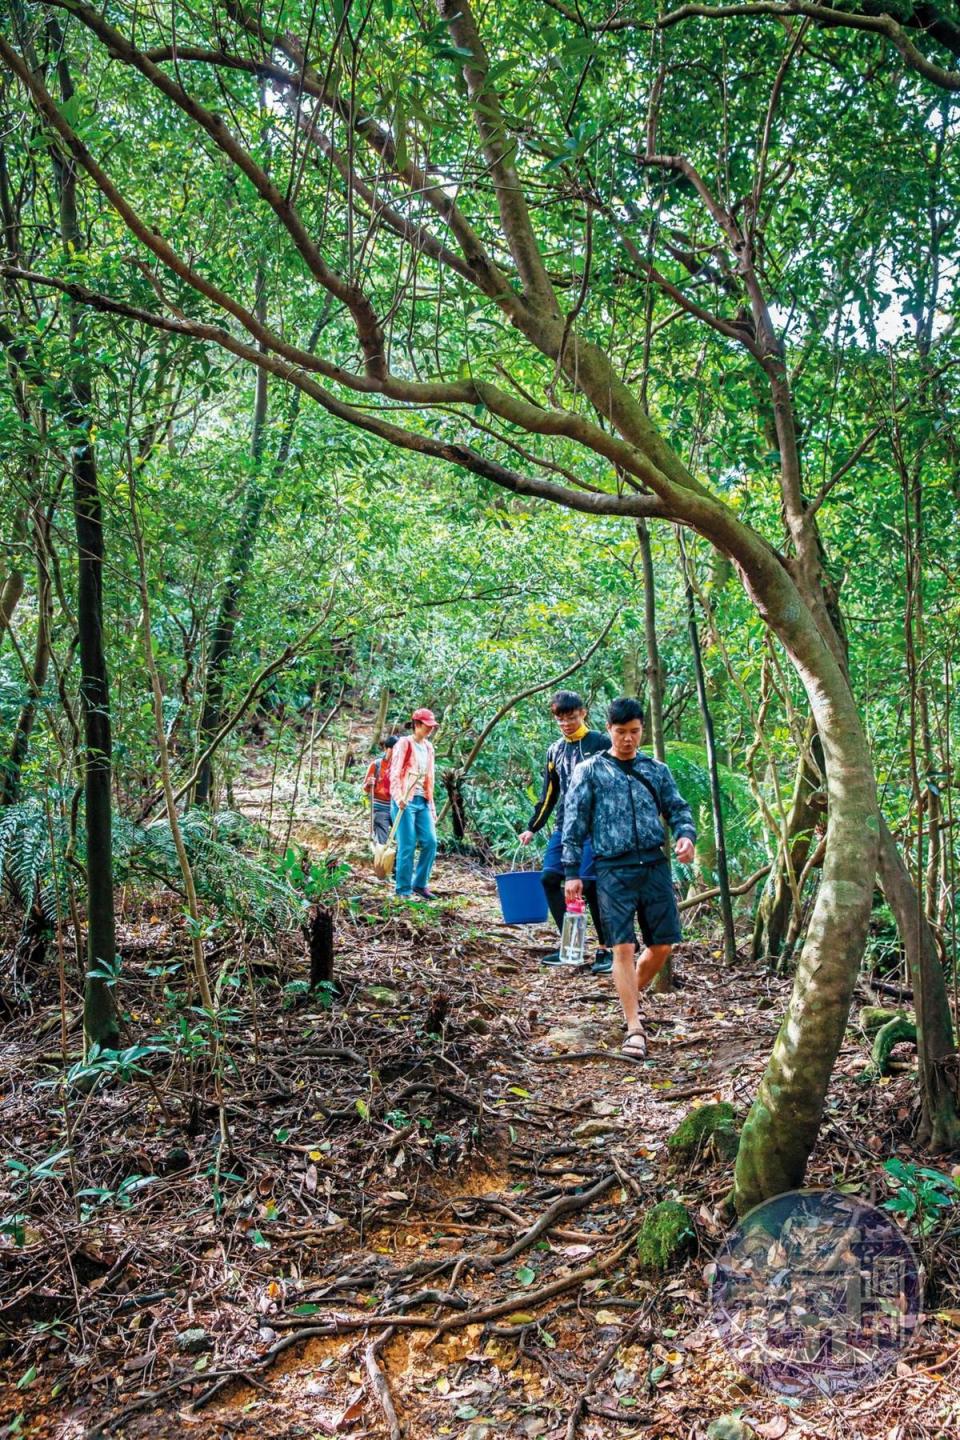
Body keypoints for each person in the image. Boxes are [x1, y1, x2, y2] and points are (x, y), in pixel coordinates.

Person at [562, 696, 696, 1058]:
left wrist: (686, 835)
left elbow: (678, 808)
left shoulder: (655, 769)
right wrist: (572, 873)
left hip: (654, 864)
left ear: (642, 731)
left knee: (662, 946)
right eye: (621, 732)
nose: (627, 739)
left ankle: (628, 997)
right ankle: (634, 1026)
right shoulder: (589, 771)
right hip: (611, 868)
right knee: (622, 946)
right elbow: (573, 825)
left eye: (634, 732)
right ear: (608, 731)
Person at [518, 689, 612, 973]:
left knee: (590, 884)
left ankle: (606, 950)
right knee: (549, 878)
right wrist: (533, 827)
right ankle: (569, 946)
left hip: (594, 827)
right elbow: (549, 793)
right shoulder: (555, 749)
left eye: (570, 717)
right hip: (564, 825)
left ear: (583, 712)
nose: (566, 723)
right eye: (560, 719)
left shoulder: (600, 743)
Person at [390, 708, 439, 900]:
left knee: (430, 842)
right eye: (427, 726)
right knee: (407, 845)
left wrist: (432, 806)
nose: (430, 730)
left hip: (423, 800)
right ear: (417, 724)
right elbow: (394, 772)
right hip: (405, 801)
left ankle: (420, 884)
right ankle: (403, 889)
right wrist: (398, 796)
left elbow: (430, 778)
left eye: (431, 727)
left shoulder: (429, 748)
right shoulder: (404, 743)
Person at [363, 735, 399, 844]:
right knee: (381, 842)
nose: (396, 753)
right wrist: (369, 783)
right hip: (379, 808)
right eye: (393, 749)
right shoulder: (376, 765)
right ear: (386, 749)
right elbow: (365, 788)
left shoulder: (400, 767)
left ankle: (396, 860)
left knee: (402, 838)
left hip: (395, 808)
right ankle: (380, 859)